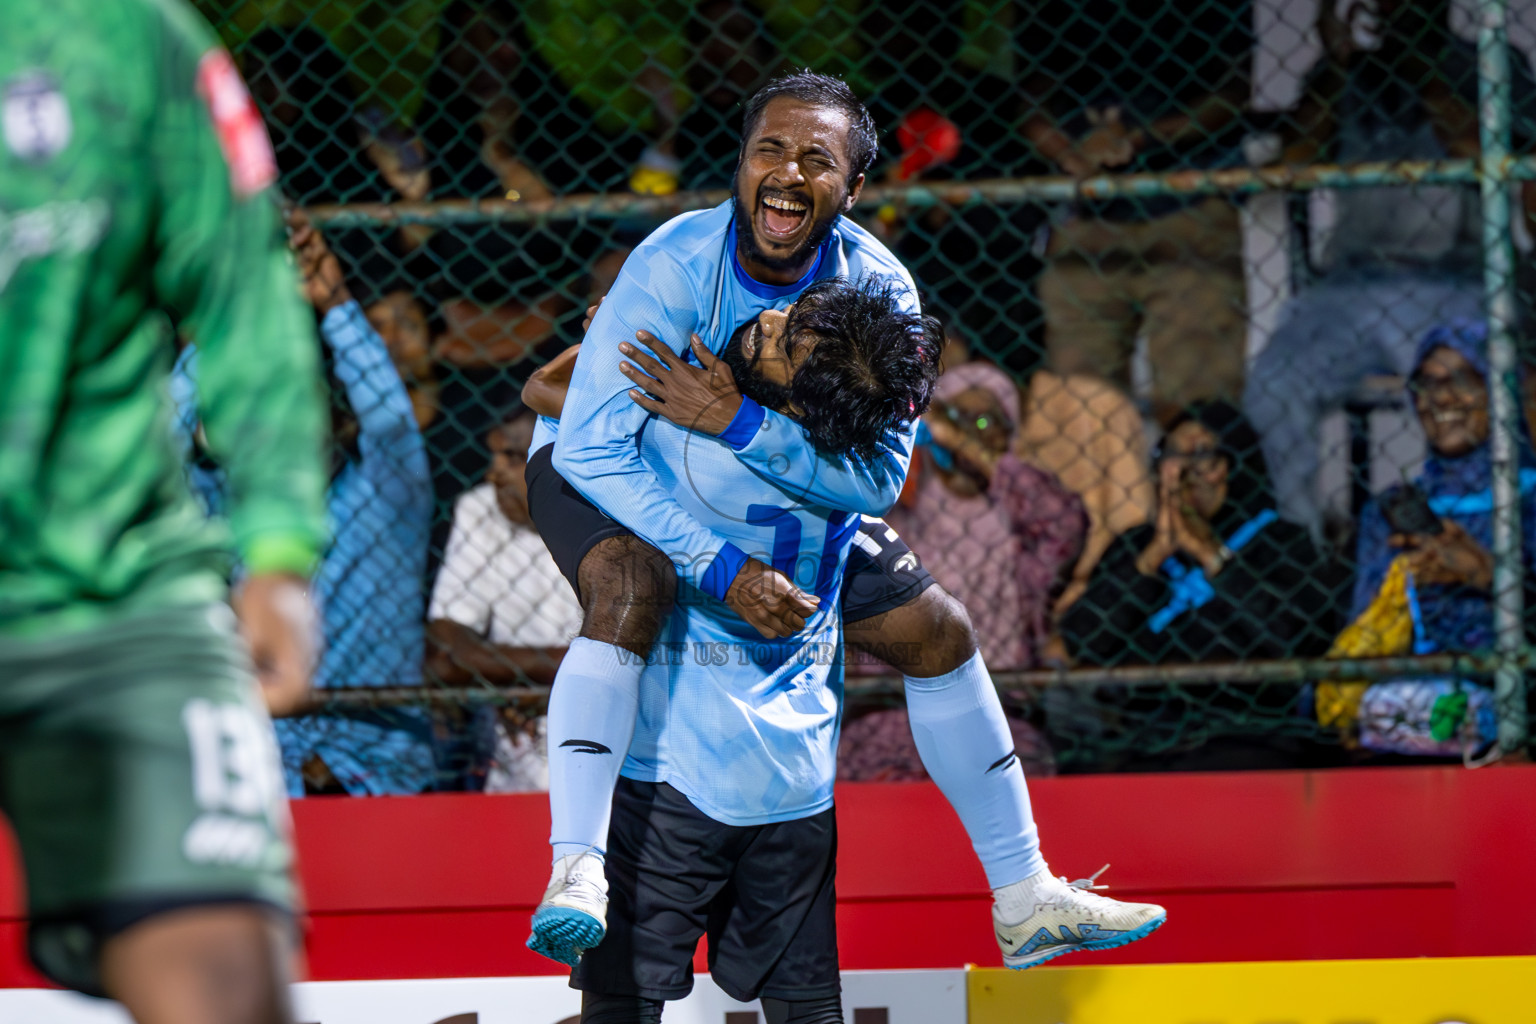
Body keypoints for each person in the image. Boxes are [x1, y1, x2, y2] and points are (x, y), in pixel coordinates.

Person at [522, 70, 1164, 982]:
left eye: (816, 159)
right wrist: (721, 565)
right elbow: (585, 441)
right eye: (768, 150)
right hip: (602, 462)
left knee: (934, 627)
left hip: (742, 468)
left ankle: (1025, 896)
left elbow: (881, 474)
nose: (786, 172)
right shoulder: (672, 267)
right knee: (636, 581)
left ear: (853, 189)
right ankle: (577, 866)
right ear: (740, 165)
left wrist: (739, 424)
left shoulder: (880, 291)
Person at [0, 1, 327, 1021]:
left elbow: (242, 294)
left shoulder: (129, 34)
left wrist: (278, 548)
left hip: (119, 595)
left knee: (228, 993)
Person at [538, 277, 940, 1022]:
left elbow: (544, 396)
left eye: (786, 341)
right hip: (794, 781)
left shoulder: (685, 451)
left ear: (794, 403)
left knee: (620, 1009)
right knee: (809, 1011)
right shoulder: (849, 477)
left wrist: (613, 341)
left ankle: (575, 859)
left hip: (668, 775)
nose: (773, 316)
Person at [1244, 0, 1536, 536]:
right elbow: (1291, 163)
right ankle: (1296, 553)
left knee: (1471, 393)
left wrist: (1417, 62)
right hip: (1351, 286)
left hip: (1458, 280)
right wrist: (1335, 63)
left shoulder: (1489, 61)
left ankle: (1487, 541)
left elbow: (1479, 148)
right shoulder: (1345, 72)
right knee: (1272, 386)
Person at [1020, 0, 1253, 423]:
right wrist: (1070, 152)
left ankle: (1187, 478)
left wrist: (1142, 136)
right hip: (1087, 213)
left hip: (1190, 204)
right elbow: (1031, 90)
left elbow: (1235, 86)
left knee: (1198, 402)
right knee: (1082, 410)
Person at [1319, 320, 1536, 756]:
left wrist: (1489, 575)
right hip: (1404, 714)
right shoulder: (1393, 511)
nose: (1441, 398)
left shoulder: (1529, 501)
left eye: (1463, 379)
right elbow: (1364, 625)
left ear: (1500, 393)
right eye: (1426, 383)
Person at [274, 218, 437, 797]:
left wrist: (337, 304)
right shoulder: (237, 509)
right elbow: (175, 433)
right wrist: (218, 323)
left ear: (339, 425)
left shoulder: (387, 497)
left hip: (374, 768)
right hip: (272, 771)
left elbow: (391, 421)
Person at [1061, 400, 1338, 666]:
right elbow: (1081, 640)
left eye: (1202, 456)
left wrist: (1210, 554)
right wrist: (1152, 557)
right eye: (1170, 455)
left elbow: (1302, 643)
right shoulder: (1137, 542)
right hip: (1146, 710)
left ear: (1235, 463)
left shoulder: (1280, 540)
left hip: (1247, 710)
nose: (1184, 473)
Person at [893, 361, 1088, 670]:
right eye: (954, 417)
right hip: (901, 698)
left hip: (1002, 689)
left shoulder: (1020, 534)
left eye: (985, 422)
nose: (968, 432)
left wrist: (967, 447)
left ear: (1008, 436)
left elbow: (1064, 524)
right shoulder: (900, 517)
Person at [427, 412, 582, 791]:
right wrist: (548, 678)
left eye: (512, 457)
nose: (493, 474)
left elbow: (641, 657)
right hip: (517, 757)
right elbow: (446, 650)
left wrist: (505, 671)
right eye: (494, 457)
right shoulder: (481, 509)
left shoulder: (615, 514)